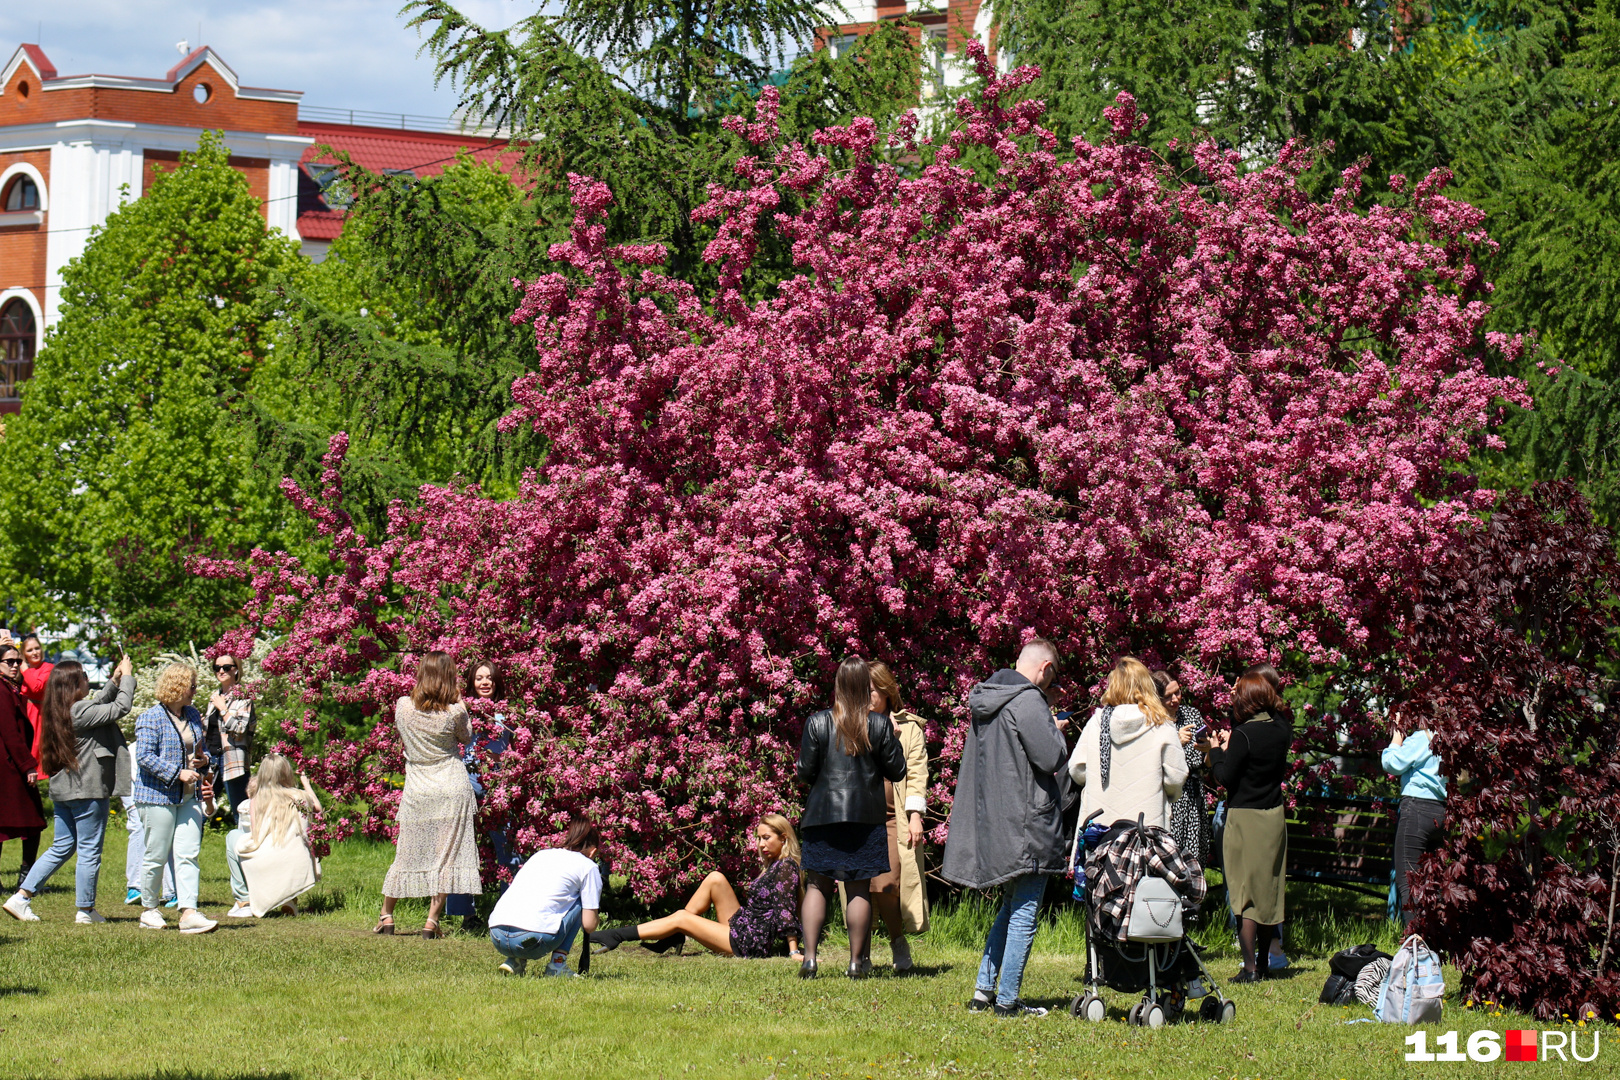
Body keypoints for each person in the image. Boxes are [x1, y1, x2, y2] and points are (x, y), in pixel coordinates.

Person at [942, 638, 1069, 1018]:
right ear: (1045, 668)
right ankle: (1008, 1001)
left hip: (1000, 819)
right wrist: (1055, 725)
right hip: (1029, 820)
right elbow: (1050, 757)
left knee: (1010, 907)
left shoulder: (989, 696)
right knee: (1025, 911)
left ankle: (984, 992)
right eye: (1052, 677)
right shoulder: (1028, 700)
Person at [795, 656, 907, 979]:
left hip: (822, 817)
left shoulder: (817, 723)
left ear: (838, 686)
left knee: (817, 885)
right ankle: (857, 963)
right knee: (858, 888)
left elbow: (804, 773)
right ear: (863, 687)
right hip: (865, 818)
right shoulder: (879, 724)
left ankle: (810, 960)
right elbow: (897, 771)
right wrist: (893, 740)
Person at [3, 657, 134, 924]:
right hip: (87, 790)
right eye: (84, 676)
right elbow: (121, 706)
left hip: (64, 790)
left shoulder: (59, 710)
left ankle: (21, 897)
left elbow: (98, 703)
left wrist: (115, 680)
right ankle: (85, 910)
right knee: (89, 849)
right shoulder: (80, 712)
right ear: (74, 684)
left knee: (61, 846)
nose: (88, 679)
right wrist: (129, 677)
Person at [590, 813, 804, 960]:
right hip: (746, 925)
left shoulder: (786, 867)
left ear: (783, 838)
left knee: (682, 917)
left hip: (750, 942)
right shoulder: (776, 865)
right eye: (758, 838)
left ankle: (617, 935)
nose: (761, 844)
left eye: (766, 838)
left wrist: (793, 952)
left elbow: (785, 909)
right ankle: (675, 934)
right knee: (715, 878)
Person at [375, 651, 481, 939]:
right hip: (451, 786)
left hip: (418, 787)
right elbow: (466, 737)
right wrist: (460, 702)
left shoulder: (403, 706)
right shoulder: (455, 711)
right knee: (446, 857)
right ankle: (431, 922)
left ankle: (387, 915)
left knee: (406, 851)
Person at [1201, 670, 1291, 982]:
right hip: (1273, 815)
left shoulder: (1243, 735)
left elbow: (1224, 777)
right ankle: (1266, 964)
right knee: (1267, 892)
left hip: (1244, 818)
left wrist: (1215, 751)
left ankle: (1250, 967)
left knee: (1243, 896)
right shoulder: (1281, 728)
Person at [850, 661, 929, 972]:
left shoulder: (908, 728)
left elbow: (916, 775)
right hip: (857, 818)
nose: (866, 697)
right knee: (861, 885)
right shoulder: (850, 724)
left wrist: (915, 816)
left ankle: (897, 942)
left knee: (886, 886)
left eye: (870, 691)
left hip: (892, 818)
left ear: (885, 691)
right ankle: (861, 955)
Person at [132, 662, 219, 934]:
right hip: (156, 796)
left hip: (189, 797)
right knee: (156, 854)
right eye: (192, 685)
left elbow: (201, 752)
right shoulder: (150, 717)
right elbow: (144, 757)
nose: (195, 690)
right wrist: (176, 773)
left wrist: (204, 762)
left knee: (188, 854)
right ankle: (149, 909)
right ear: (178, 686)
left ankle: (189, 912)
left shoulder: (193, 714)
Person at [1068, 658, 1188, 837]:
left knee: (1100, 865)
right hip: (1146, 828)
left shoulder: (1097, 724)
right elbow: (1176, 778)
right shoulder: (1160, 724)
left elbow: (1077, 770)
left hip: (1100, 827)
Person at [445, 658, 516, 933]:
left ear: (497, 681)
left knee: (508, 849)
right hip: (468, 782)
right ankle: (466, 916)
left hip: (499, 785)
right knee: (461, 849)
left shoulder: (508, 711)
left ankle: (506, 912)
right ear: (471, 683)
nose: (484, 682)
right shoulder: (463, 710)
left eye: (489, 677)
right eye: (479, 678)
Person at [487, 819, 604, 977]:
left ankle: (514, 961)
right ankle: (557, 965)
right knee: (580, 901)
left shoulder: (540, 855)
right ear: (592, 852)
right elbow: (589, 926)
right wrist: (595, 917)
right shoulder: (588, 866)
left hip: (497, 935)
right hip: (533, 940)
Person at [231, 753, 323, 917]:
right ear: (286, 773)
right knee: (292, 846)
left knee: (233, 836)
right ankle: (289, 898)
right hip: (297, 861)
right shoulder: (300, 796)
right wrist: (305, 782)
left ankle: (243, 899)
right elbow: (318, 809)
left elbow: (255, 833)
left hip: (267, 859)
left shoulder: (257, 800)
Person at [1381, 710, 1447, 929]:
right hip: (1441, 811)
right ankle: (1434, 941)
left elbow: (1392, 764)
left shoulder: (1424, 738)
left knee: (1409, 881)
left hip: (1416, 810)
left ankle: (1415, 945)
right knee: (1433, 881)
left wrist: (1398, 735)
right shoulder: (1449, 739)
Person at [1152, 669, 1211, 865]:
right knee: (1170, 857)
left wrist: (1210, 749)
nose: (1175, 699)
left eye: (1177, 692)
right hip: (1170, 798)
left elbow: (1205, 763)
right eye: (1168, 696)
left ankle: (1192, 895)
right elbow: (1152, 764)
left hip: (1194, 797)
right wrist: (1176, 743)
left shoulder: (1191, 714)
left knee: (1193, 858)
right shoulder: (1153, 722)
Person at [0, 641, 44, 890]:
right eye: (9, 661)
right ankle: (27, 879)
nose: (16, 665)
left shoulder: (10, 687)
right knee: (34, 820)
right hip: (9, 767)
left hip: (10, 765)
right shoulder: (1, 689)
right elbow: (9, 732)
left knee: (31, 822)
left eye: (18, 661)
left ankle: (27, 877)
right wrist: (28, 765)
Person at [203, 654, 256, 828]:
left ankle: (247, 853)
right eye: (216, 667)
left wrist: (224, 709)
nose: (221, 671)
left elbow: (240, 730)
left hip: (233, 762)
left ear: (236, 669)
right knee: (201, 810)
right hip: (211, 761)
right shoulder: (215, 696)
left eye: (226, 667)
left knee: (242, 814)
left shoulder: (244, 697)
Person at [19, 634, 52, 783]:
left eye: (37, 648)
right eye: (30, 650)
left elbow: (36, 687)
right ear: (24, 654)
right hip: (24, 713)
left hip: (39, 715)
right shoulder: (19, 669)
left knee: (37, 748)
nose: (35, 652)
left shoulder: (48, 668)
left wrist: (25, 669)